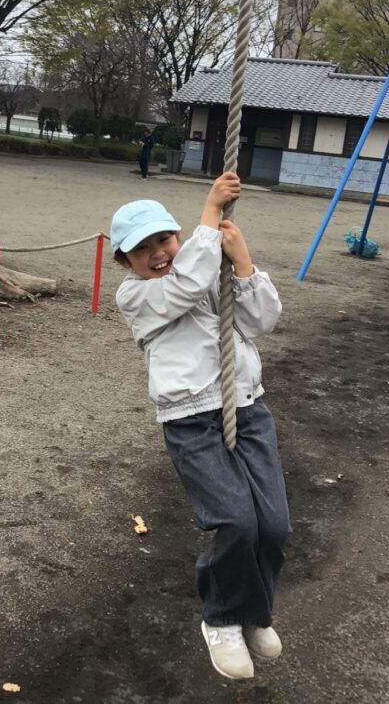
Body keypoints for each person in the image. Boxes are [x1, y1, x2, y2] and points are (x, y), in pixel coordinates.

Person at [110, 172, 289, 680]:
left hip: (246, 407)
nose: (158, 254)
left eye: (165, 240)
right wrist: (211, 213)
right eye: (142, 249)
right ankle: (222, 619)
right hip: (191, 419)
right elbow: (184, 285)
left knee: (274, 523)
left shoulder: (206, 269)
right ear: (124, 261)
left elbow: (260, 322)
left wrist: (243, 262)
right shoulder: (136, 297)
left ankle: (255, 612)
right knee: (235, 520)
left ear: (179, 237)